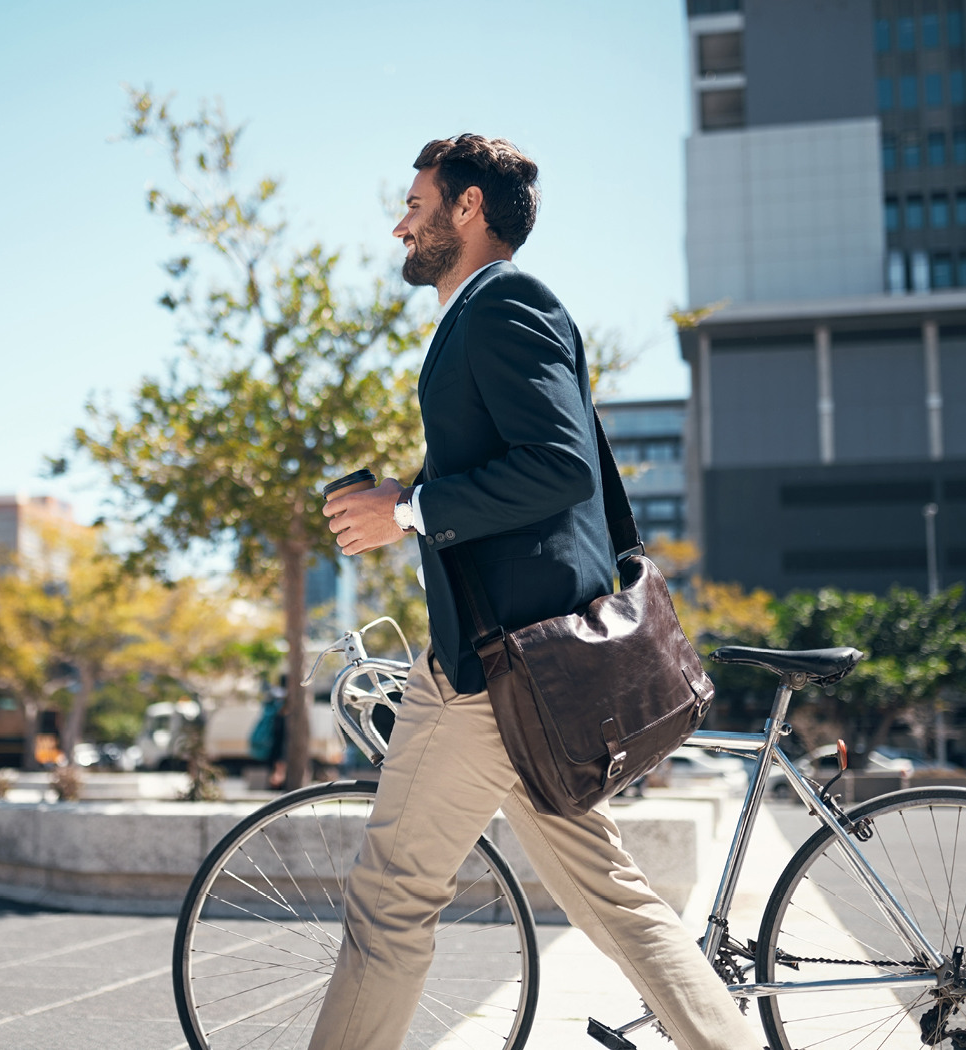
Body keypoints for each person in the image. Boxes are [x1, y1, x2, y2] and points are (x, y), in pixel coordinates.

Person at [314, 135, 760, 1050]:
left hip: (490, 673)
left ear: (466, 208)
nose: (400, 223)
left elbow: (558, 467)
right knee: (617, 905)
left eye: (415, 202)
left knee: (391, 898)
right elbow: (543, 474)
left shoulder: (504, 304)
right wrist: (406, 502)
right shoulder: (487, 318)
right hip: (533, 674)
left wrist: (410, 508)